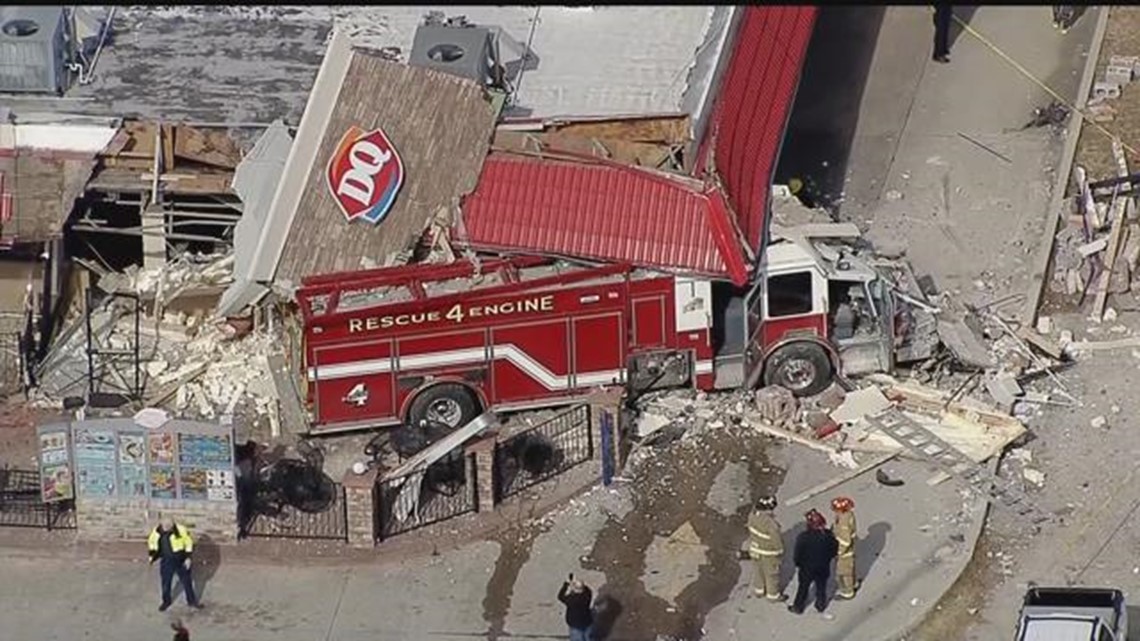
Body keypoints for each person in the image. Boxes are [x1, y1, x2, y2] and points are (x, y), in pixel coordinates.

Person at [788, 509, 839, 617]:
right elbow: (834, 550)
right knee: (821, 586)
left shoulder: (803, 537)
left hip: (807, 568)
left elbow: (798, 554)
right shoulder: (828, 536)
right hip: (823, 567)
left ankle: (798, 607)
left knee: (803, 587)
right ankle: (820, 605)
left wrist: (798, 563)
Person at [147, 516, 202, 611]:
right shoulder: (156, 532)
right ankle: (166, 601)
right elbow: (152, 543)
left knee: (186, 581)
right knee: (166, 582)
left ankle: (192, 601)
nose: (168, 529)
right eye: (166, 527)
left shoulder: (181, 530)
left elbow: (188, 542)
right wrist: (152, 557)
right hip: (166, 560)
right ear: (162, 525)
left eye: (170, 527)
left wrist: (188, 557)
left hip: (180, 558)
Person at [747, 496, 786, 601]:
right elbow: (776, 541)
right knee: (771, 574)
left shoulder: (752, 516)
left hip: (755, 549)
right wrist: (780, 550)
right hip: (769, 553)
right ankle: (773, 595)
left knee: (758, 571)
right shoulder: (771, 525)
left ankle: (759, 590)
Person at [831, 496, 858, 599]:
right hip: (849, 552)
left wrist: (838, 552)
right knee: (850, 569)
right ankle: (853, 584)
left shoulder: (843, 522)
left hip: (845, 554)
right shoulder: (848, 515)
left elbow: (845, 541)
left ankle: (847, 592)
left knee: (844, 573)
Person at [557, 574, 593, 641]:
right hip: (587, 621)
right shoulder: (587, 595)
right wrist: (581, 585)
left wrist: (566, 584)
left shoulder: (571, 599)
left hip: (575, 623)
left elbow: (560, 596)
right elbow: (588, 589)